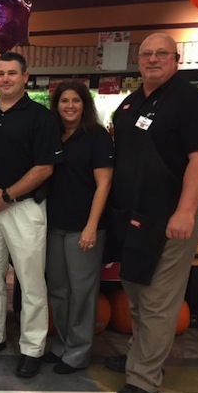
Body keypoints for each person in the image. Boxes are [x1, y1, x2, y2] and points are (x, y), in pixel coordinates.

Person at [105, 33, 198, 393]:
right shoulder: (131, 103)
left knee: (157, 300)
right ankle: (140, 354)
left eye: (161, 54)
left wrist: (185, 211)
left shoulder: (192, 103)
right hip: (134, 215)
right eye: (147, 54)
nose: (153, 59)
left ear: (176, 59)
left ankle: (144, 378)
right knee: (135, 290)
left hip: (171, 214)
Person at [0, 51, 63, 378]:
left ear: (25, 77)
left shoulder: (40, 117)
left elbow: (45, 167)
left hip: (24, 209)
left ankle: (32, 347)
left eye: (12, 73)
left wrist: (8, 194)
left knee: (31, 281)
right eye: (0, 73)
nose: (5, 79)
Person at [44, 80, 114, 374]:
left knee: (82, 290)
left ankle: (78, 352)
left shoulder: (97, 137)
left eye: (76, 101)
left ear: (85, 104)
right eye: (64, 101)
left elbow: (104, 183)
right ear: (56, 105)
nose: (69, 106)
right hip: (53, 224)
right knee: (58, 289)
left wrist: (91, 226)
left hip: (83, 226)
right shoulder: (52, 135)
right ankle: (62, 344)